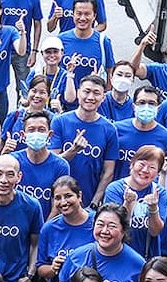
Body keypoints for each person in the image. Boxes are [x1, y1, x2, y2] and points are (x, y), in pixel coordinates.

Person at [53, 203, 145, 282]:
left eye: (112, 226)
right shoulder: (76, 257)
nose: (105, 231)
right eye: (100, 225)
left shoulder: (138, 265)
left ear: (123, 230)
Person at [48, 72, 118, 208]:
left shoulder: (109, 129)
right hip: (57, 199)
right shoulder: (60, 121)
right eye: (87, 91)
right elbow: (52, 163)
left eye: (96, 93)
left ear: (103, 97)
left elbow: (108, 172)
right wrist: (73, 150)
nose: (90, 97)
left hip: (88, 200)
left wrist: (95, 202)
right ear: (78, 93)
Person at [103, 145, 167, 260]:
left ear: (158, 172)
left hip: (147, 256)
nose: (145, 170)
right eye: (141, 164)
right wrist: (128, 203)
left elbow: (155, 231)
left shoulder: (160, 193)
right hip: (117, 255)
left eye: (152, 167)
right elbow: (114, 227)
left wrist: (153, 208)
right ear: (132, 164)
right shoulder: (115, 189)